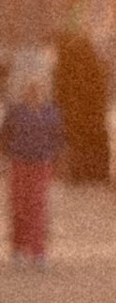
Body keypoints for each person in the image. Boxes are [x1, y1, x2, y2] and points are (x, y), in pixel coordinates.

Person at [4, 54, 68, 267]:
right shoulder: (16, 111)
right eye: (30, 86)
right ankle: (18, 249)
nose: (33, 90)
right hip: (19, 162)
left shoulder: (51, 112)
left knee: (38, 207)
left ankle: (38, 251)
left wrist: (59, 160)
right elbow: (4, 136)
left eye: (37, 86)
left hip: (41, 163)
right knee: (19, 206)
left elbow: (58, 137)